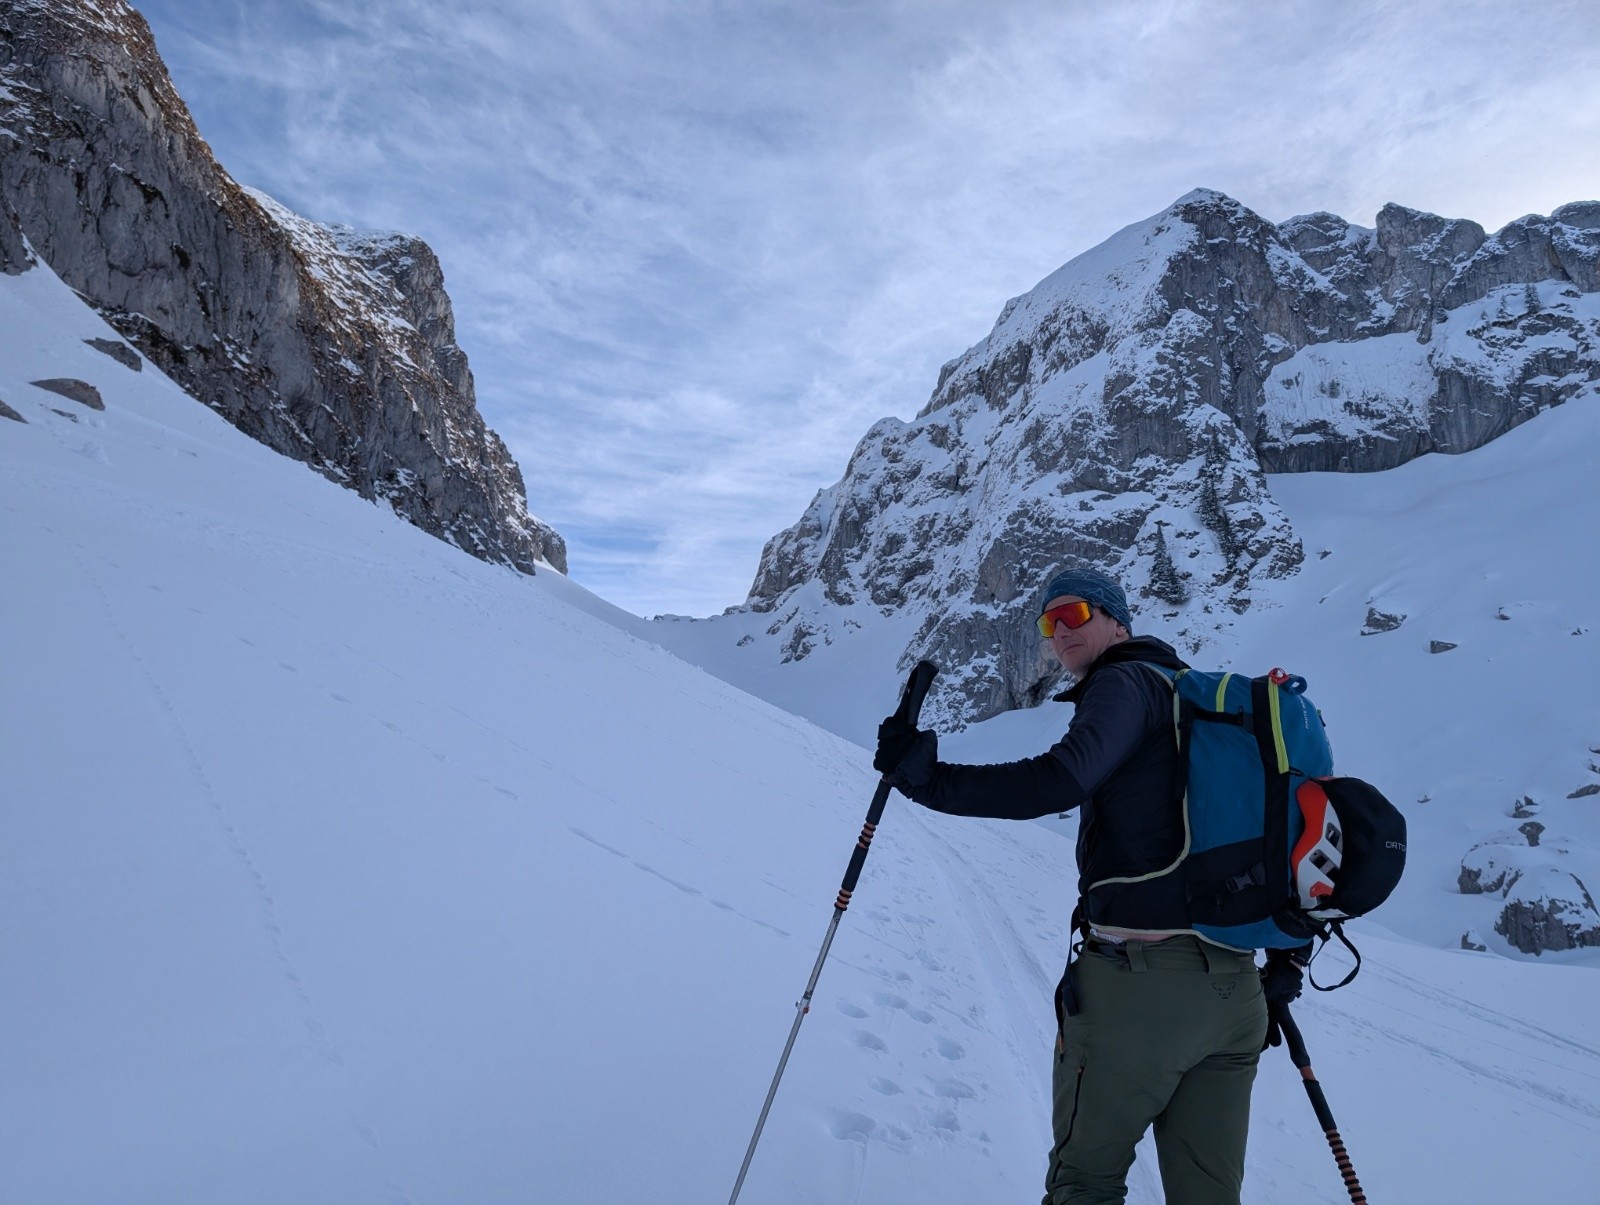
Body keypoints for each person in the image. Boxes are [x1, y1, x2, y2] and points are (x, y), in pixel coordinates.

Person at [873, 562, 1305, 1205]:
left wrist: (931, 781)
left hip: (1140, 991)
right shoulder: (1197, 704)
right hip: (1235, 997)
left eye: (1073, 614)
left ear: (1116, 621)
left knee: (1085, 1186)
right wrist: (1287, 957)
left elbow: (1060, 780)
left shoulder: (1124, 682)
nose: (1059, 633)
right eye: (1048, 623)